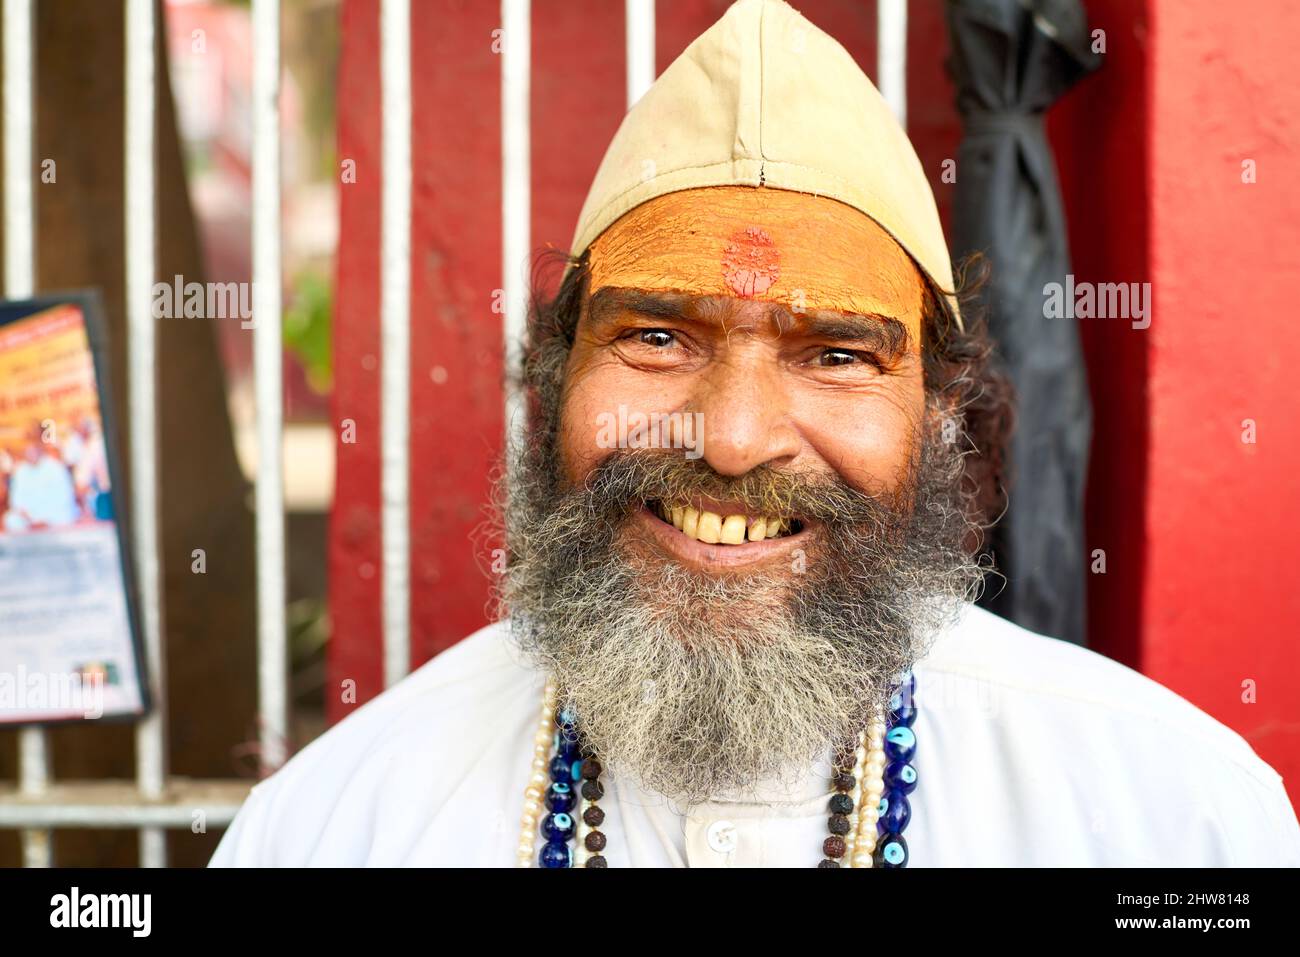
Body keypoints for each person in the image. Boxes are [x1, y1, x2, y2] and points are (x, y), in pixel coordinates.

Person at [210, 0, 1299, 867]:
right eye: (655, 337)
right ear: (551, 381)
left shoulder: (1172, 820)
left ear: (939, 418)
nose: (731, 441)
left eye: (835, 354)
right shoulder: (332, 828)